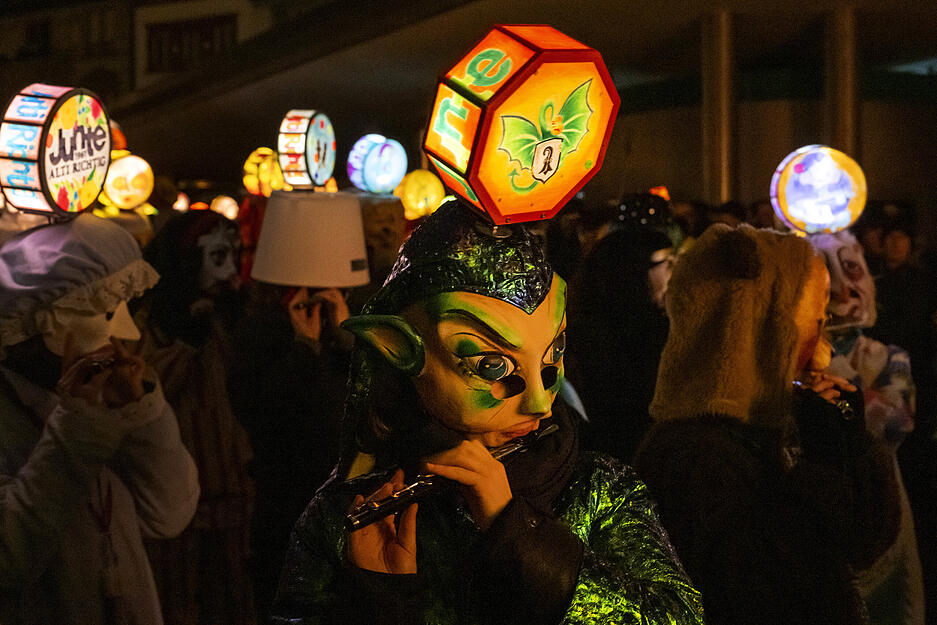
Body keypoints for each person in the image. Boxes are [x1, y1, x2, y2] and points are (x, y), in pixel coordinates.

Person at [270, 201, 704, 625]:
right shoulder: (348, 513)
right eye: (491, 366)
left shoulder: (601, 489)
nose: (540, 401)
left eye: (552, 359)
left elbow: (677, 615)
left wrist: (518, 534)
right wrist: (382, 602)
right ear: (397, 348)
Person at [634, 224, 900, 625]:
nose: (824, 349)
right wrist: (822, 469)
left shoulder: (773, 424)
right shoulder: (692, 457)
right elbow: (774, 590)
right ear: (762, 328)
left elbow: (865, 544)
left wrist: (854, 446)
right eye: (816, 320)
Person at [0, 213, 200, 625]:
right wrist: (77, 431)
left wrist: (141, 411)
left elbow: (168, 514)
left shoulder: (102, 398)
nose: (124, 334)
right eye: (101, 312)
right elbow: (10, 554)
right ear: (32, 323)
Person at [138, 211, 256, 625]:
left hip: (231, 486)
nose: (228, 272)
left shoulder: (231, 316)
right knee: (177, 603)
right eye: (217, 257)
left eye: (234, 255)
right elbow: (142, 392)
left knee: (231, 600)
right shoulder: (147, 322)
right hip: (176, 492)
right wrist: (186, 340)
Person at [810, 231, 924, 625]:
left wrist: (839, 375)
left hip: (881, 498)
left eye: (852, 269)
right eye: (826, 272)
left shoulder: (888, 357)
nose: (843, 287)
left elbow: (896, 425)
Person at [229, 279, 353, 621]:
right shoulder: (259, 333)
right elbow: (262, 410)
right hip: (285, 502)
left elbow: (372, 397)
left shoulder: (342, 343)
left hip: (341, 498)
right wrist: (303, 347)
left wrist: (345, 334)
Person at [567, 225, 674, 461]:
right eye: (667, 263)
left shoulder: (586, 323)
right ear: (635, 270)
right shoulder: (645, 334)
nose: (673, 272)